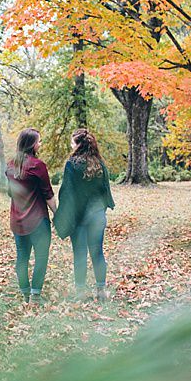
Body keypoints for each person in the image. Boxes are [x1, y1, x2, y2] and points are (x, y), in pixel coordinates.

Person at [54, 129, 115, 302]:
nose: (71, 146)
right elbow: (105, 192)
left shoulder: (71, 164)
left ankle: (80, 292)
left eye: (72, 142)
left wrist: (63, 215)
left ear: (79, 144)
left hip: (78, 217)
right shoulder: (100, 164)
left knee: (79, 253)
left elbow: (67, 192)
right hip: (97, 216)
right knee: (98, 253)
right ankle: (101, 291)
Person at [5, 128, 57, 305]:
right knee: (41, 257)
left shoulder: (10, 165)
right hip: (37, 221)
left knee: (22, 257)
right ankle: (35, 296)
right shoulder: (38, 165)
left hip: (17, 220)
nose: (40, 144)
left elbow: (11, 193)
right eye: (39, 141)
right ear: (33, 144)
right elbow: (48, 195)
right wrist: (58, 214)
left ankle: (25, 293)